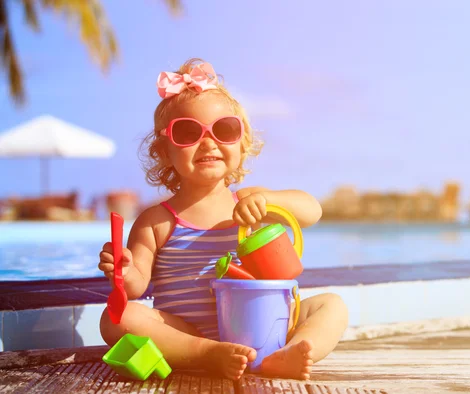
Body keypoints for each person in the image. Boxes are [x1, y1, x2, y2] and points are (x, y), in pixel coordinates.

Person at [98, 58, 348, 381]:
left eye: (224, 129)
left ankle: (289, 352)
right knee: (115, 318)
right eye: (187, 132)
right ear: (163, 151)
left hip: (258, 325)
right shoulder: (156, 221)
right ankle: (206, 353)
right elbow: (134, 287)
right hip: (187, 332)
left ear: (241, 145)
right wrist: (123, 268)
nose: (208, 142)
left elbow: (312, 210)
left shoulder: (248, 203)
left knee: (333, 305)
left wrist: (269, 200)